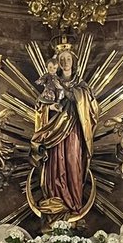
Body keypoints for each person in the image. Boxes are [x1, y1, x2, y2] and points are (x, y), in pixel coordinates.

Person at [30, 41, 99, 218]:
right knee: (55, 164)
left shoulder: (81, 85)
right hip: (54, 130)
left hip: (74, 131)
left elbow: (91, 107)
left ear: (73, 61)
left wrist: (70, 93)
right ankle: (56, 202)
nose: (65, 62)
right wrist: (49, 107)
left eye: (68, 59)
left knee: (72, 162)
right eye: (61, 59)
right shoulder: (52, 82)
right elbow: (41, 104)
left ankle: (74, 203)